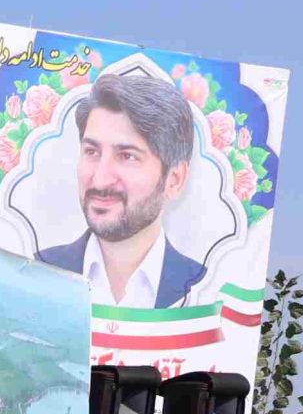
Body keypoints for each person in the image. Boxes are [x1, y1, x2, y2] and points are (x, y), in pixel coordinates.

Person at [36, 67, 206, 310]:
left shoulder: (206, 289)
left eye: (127, 156)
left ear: (174, 179)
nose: (100, 180)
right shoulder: (36, 277)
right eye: (92, 152)